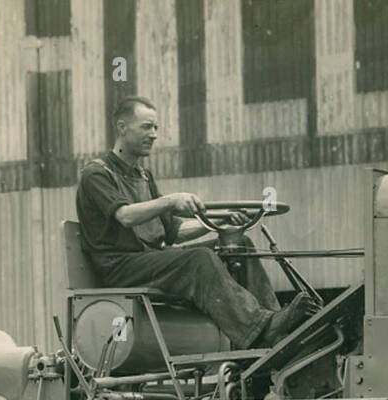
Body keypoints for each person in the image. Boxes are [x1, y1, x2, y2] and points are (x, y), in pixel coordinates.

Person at [75, 95, 317, 350]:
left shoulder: (143, 176)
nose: (154, 134)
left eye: (156, 127)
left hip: (149, 260)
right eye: (146, 127)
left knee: (238, 244)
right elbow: (125, 216)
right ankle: (260, 328)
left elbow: (175, 232)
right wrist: (171, 200)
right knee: (198, 259)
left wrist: (218, 223)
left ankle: (274, 323)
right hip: (120, 267)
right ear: (122, 128)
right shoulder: (97, 173)